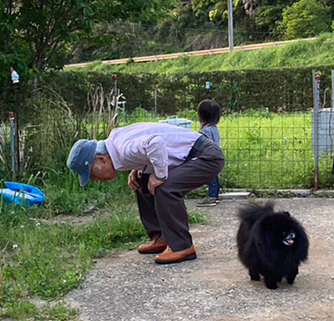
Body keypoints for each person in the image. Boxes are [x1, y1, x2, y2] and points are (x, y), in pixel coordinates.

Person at [66, 122, 224, 265]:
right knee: (141, 180)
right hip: (190, 156)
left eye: (92, 174)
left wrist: (160, 175)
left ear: (101, 159)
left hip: (206, 157)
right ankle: (161, 236)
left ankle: (181, 246)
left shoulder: (123, 149)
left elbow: (156, 143)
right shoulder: (115, 142)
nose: (95, 179)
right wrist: (141, 168)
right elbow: (147, 148)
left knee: (165, 187)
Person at [196, 100, 222, 207]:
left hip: (208, 156)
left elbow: (202, 143)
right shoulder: (214, 128)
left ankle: (211, 197)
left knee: (210, 177)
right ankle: (215, 195)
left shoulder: (205, 130)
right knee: (214, 176)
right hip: (216, 155)